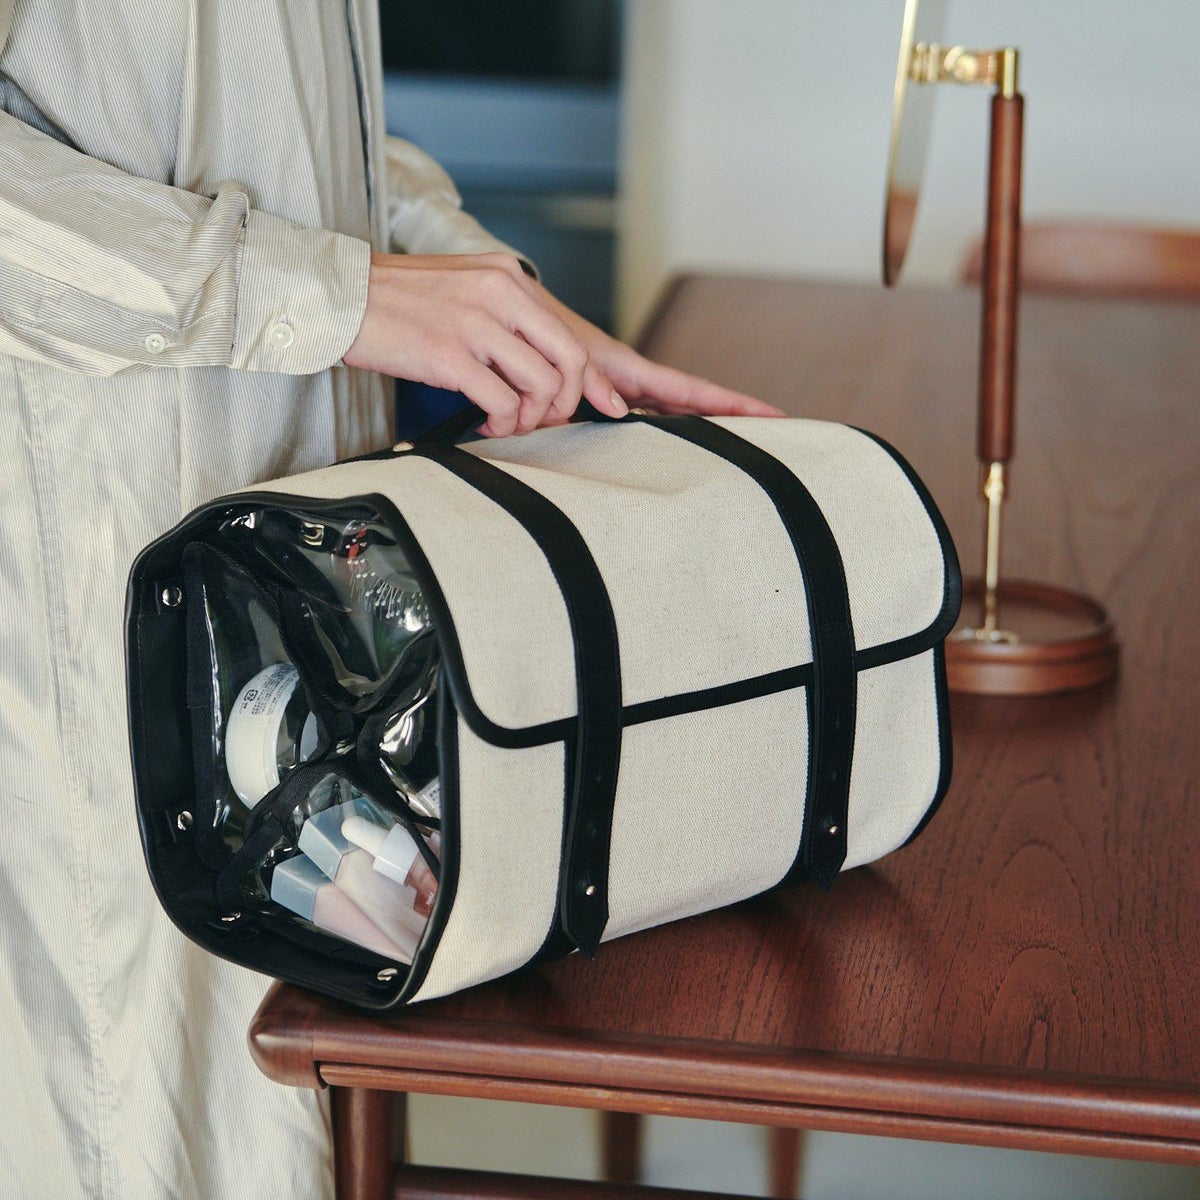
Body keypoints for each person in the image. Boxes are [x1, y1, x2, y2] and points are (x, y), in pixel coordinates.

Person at [0, 3, 779, 1197]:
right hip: (110, 579)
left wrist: (493, 299)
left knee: (315, 1086)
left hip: (314, 557)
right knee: (148, 1115)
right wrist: (346, 293)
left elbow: (316, 140)